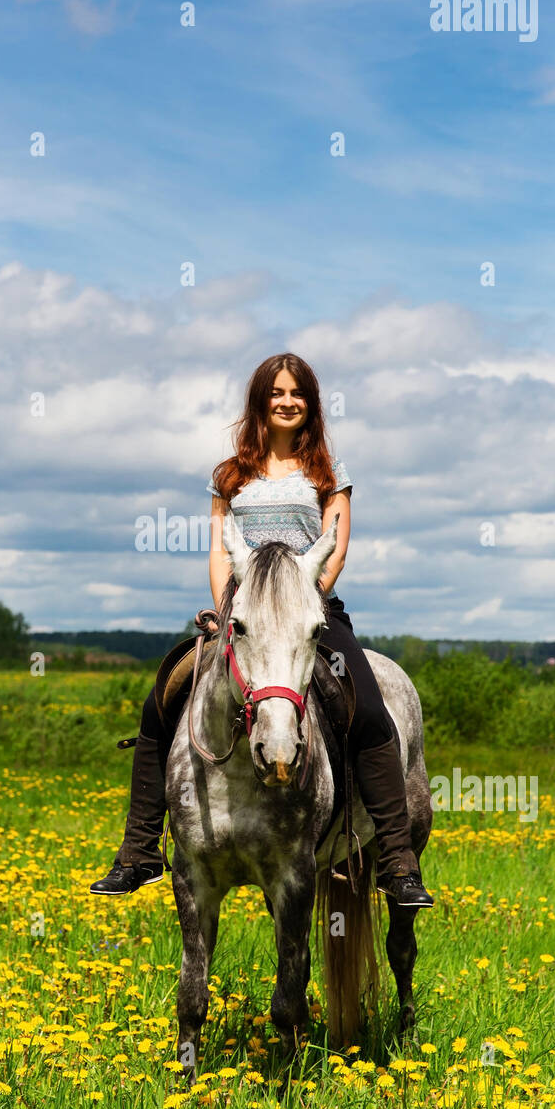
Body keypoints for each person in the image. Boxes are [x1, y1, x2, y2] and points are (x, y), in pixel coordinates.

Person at [90, 353, 433, 908]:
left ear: (311, 403)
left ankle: (396, 861)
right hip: (242, 618)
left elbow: (335, 547)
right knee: (160, 703)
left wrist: (300, 606)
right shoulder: (229, 475)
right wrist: (231, 614)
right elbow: (219, 554)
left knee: (369, 710)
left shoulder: (328, 472)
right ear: (260, 401)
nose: (287, 401)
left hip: (307, 614)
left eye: (297, 392)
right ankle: (140, 851)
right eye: (276, 392)